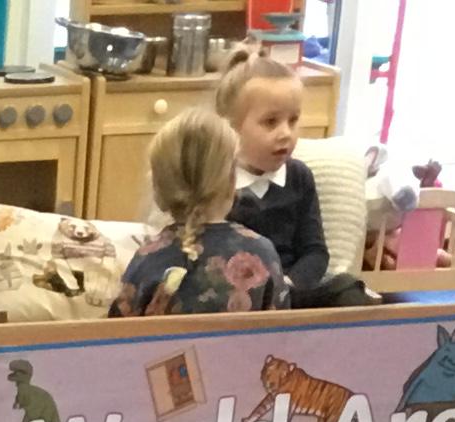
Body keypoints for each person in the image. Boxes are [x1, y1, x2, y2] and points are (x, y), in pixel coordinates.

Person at [216, 49, 368, 305]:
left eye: (293, 120)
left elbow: (315, 252)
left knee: (349, 289)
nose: (286, 133)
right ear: (232, 127)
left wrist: (288, 285)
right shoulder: (217, 181)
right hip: (236, 298)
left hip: (292, 291)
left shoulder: (299, 177)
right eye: (271, 122)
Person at [112, 110, 282, 318]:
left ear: (159, 186)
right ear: (231, 180)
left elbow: (115, 333)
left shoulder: (149, 258)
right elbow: (283, 331)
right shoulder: (262, 253)